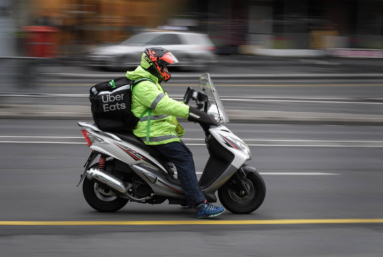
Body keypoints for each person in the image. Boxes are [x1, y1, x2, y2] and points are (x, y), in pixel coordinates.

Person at [126, 47, 225, 218]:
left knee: (183, 157)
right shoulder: (144, 86)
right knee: (184, 157)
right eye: (164, 66)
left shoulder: (149, 81)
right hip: (154, 134)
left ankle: (188, 194)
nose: (166, 70)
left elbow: (165, 104)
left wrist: (191, 108)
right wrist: (194, 113)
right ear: (154, 65)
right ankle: (199, 204)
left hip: (158, 131)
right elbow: (165, 105)